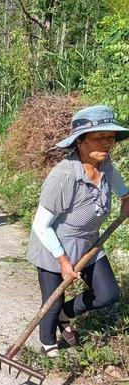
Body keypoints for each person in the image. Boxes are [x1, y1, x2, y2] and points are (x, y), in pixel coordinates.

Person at [27, 105, 129, 357]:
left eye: (110, 137)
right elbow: (41, 225)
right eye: (99, 137)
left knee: (107, 295)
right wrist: (63, 261)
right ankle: (48, 344)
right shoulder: (63, 177)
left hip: (89, 242)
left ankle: (66, 315)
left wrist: (126, 198)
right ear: (80, 140)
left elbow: (120, 186)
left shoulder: (105, 165)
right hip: (54, 245)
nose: (107, 143)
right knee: (52, 303)